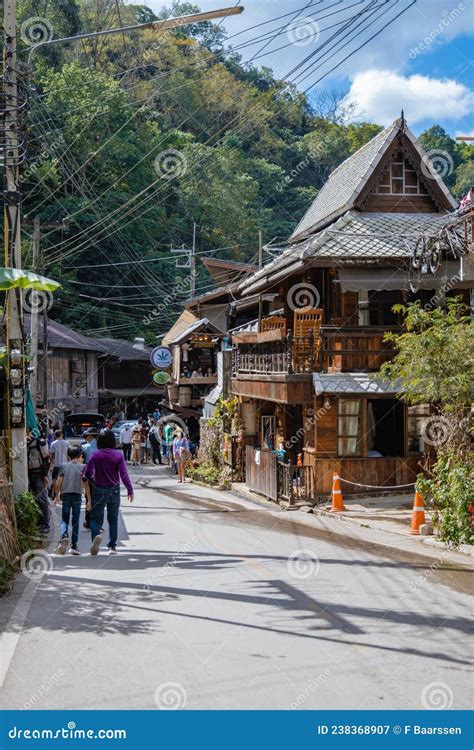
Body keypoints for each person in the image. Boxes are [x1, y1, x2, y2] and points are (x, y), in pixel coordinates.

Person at [83, 430, 134, 556]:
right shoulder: (118, 455)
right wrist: (129, 489)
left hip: (98, 489)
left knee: (95, 518)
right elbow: (123, 474)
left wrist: (91, 479)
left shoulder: (95, 455)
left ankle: (95, 536)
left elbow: (88, 473)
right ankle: (112, 547)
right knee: (113, 519)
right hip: (114, 490)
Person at [54, 446, 87, 555]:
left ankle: (64, 536)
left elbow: (58, 482)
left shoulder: (64, 466)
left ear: (68, 456)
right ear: (80, 456)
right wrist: (88, 498)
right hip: (77, 495)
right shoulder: (83, 467)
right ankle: (74, 546)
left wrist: (57, 496)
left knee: (65, 519)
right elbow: (85, 483)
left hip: (66, 494)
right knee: (76, 521)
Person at [27, 431, 51, 534]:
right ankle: (39, 522)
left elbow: (47, 459)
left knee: (42, 499)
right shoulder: (26, 443)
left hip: (38, 474)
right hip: (30, 474)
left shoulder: (39, 442)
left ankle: (45, 524)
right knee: (35, 499)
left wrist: (44, 475)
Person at [49, 429, 69, 497]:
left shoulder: (53, 444)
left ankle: (55, 494)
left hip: (56, 465)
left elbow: (51, 455)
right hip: (65, 465)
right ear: (61, 435)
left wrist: (52, 463)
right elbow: (69, 454)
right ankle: (62, 494)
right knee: (63, 480)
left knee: (55, 479)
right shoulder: (66, 443)